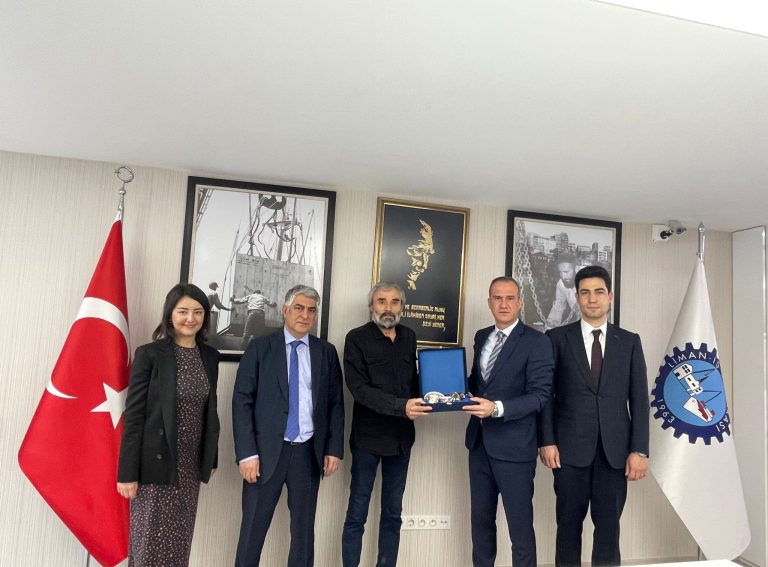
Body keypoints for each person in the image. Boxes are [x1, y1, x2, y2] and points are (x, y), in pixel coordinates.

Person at [538, 265, 649, 566]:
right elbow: (546, 396)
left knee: (609, 532)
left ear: (610, 296)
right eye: (585, 293)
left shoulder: (629, 341)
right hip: (569, 452)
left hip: (615, 454)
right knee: (567, 529)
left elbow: (640, 400)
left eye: (599, 292)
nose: (592, 299)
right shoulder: (556, 338)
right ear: (576, 297)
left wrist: (639, 450)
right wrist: (546, 440)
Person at [232, 284, 345, 567]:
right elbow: (242, 402)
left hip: (307, 454)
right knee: (252, 531)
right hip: (265, 453)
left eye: (311, 310)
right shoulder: (260, 348)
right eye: (299, 308)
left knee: (303, 536)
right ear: (285, 310)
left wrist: (333, 449)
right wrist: (246, 454)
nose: (305, 315)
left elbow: (335, 404)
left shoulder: (326, 352)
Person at [117, 283, 221, 567]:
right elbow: (134, 416)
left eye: (198, 312)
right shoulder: (150, 354)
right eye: (183, 311)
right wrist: (127, 472)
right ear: (170, 314)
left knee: (178, 545)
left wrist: (210, 456)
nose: (191, 318)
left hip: (189, 466)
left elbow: (210, 410)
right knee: (150, 543)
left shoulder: (210, 356)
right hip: (155, 464)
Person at [462, 276, 554, 567]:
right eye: (497, 298)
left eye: (510, 298)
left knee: (520, 529)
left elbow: (540, 396)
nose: (503, 304)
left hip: (515, 448)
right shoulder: (481, 336)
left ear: (520, 303)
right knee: (481, 524)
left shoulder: (537, 342)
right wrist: (447, 390)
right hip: (479, 446)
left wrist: (497, 409)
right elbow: (478, 383)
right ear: (489, 302)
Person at [341, 282, 432, 566]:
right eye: (382, 301)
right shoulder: (356, 338)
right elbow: (359, 389)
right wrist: (400, 406)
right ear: (372, 306)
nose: (388, 308)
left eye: (394, 302)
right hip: (367, 439)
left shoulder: (409, 337)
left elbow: (413, 382)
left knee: (393, 514)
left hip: (401, 439)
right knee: (357, 513)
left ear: (402, 307)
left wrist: (440, 394)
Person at [546, 255, 579, 329]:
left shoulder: (587, 283)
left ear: (576, 269)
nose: (563, 277)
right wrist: (550, 327)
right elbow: (558, 306)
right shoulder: (561, 284)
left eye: (566, 272)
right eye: (560, 272)